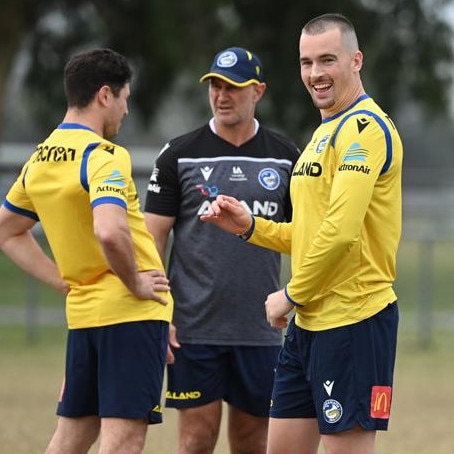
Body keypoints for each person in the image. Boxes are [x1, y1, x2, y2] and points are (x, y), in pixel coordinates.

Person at [201, 14, 403, 454]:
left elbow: (342, 232)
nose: (315, 74)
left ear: (356, 60)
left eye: (327, 60)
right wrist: (250, 226)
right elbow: (312, 232)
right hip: (308, 327)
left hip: (355, 321)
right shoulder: (321, 133)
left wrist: (290, 295)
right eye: (306, 62)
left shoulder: (366, 131)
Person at [0, 48, 173, 454]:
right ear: (104, 95)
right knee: (124, 440)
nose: (126, 111)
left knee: (72, 437)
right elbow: (110, 232)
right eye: (125, 98)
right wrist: (134, 283)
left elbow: (7, 232)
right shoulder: (104, 156)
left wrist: (63, 283)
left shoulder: (39, 160)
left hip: (84, 316)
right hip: (129, 316)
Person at [144, 47, 300, 453]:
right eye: (215, 85)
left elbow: (304, 237)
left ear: (259, 91)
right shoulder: (179, 154)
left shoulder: (285, 158)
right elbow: (151, 239)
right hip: (195, 330)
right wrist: (160, 315)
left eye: (233, 86)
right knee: (196, 438)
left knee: (252, 440)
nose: (222, 94)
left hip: (263, 328)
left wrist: (295, 300)